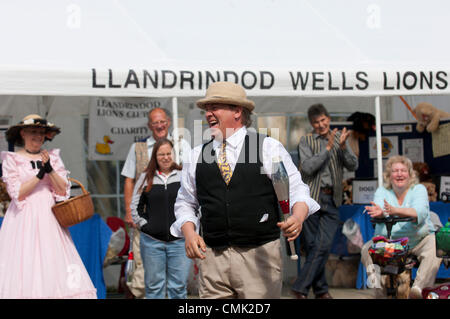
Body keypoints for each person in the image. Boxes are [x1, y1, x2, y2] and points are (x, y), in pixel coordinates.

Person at [170, 81, 319, 299]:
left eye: (215, 107)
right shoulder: (195, 156)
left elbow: (297, 191)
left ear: (237, 111)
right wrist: (189, 233)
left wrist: (297, 217)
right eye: (207, 109)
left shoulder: (267, 148)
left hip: (259, 257)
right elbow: (185, 202)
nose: (208, 114)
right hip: (212, 259)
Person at [0, 114, 97, 299]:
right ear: (23, 133)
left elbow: (62, 191)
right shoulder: (12, 159)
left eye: (41, 133)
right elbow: (17, 193)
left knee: (53, 260)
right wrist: (38, 176)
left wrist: (50, 170)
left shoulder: (52, 156)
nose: (38, 136)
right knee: (25, 260)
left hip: (49, 215)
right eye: (33, 132)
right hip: (23, 216)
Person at [121, 107, 190, 298]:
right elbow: (129, 180)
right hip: (149, 229)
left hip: (178, 235)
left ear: (168, 122)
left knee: (178, 286)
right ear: (149, 125)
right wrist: (134, 216)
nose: (159, 125)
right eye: (155, 122)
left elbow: (193, 190)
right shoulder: (138, 148)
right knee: (147, 281)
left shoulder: (182, 145)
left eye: (162, 121)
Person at [292, 103, 358, 299]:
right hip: (311, 197)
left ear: (328, 118)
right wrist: (328, 148)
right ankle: (321, 291)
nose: (321, 125)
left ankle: (300, 287)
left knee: (323, 244)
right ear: (311, 124)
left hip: (332, 198)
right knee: (313, 246)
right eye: (316, 122)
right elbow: (308, 168)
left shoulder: (341, 139)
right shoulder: (306, 140)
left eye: (323, 120)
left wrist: (343, 147)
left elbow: (353, 165)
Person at [361, 155, 442, 299]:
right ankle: (379, 293)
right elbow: (378, 208)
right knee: (366, 249)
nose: (399, 174)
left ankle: (418, 289)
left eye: (403, 170)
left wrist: (394, 211)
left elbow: (421, 212)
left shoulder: (419, 189)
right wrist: (379, 213)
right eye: (395, 171)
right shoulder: (382, 191)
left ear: (410, 174)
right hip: (389, 242)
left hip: (417, 239)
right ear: (389, 175)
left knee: (435, 245)